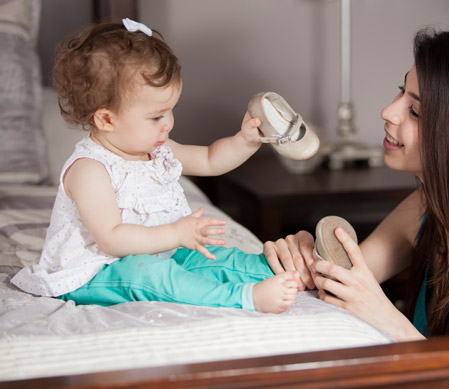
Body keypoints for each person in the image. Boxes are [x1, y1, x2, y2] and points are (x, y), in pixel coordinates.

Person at [263, 27, 449, 388]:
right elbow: (343, 280)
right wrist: (306, 258)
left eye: (415, 110)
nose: (388, 112)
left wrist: (383, 315)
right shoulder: (429, 204)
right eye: (401, 92)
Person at [11, 19, 300, 314]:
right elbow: (112, 239)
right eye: (156, 116)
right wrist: (176, 234)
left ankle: (280, 270)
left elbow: (210, 160)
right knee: (150, 274)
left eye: (171, 110)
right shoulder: (90, 170)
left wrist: (246, 140)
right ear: (106, 119)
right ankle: (244, 297)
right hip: (99, 271)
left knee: (214, 257)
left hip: (163, 250)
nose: (169, 124)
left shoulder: (158, 150)